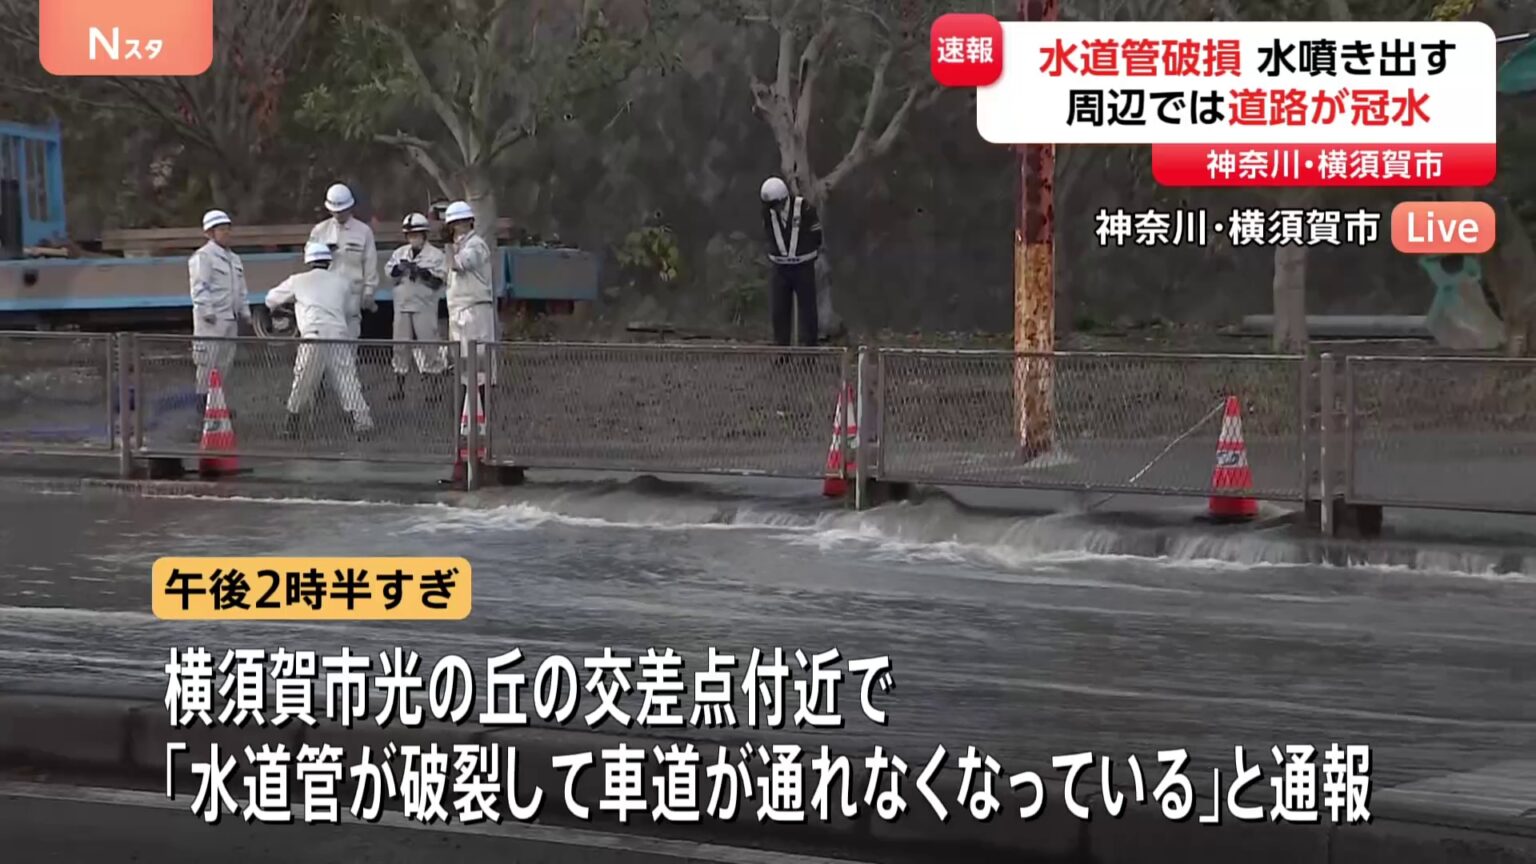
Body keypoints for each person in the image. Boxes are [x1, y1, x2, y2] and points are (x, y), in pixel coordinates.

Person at [265, 242, 375, 439]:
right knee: (347, 379)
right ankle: (362, 422)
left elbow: (271, 299)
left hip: (313, 335)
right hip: (337, 334)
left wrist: (293, 305)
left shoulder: (298, 280)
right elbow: (349, 310)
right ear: (328, 261)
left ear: (308, 260)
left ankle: (292, 423)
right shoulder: (342, 282)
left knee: (303, 379)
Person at [188, 208, 249, 438]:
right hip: (210, 323)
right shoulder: (203, 257)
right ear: (210, 233)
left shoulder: (234, 259)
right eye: (221, 229)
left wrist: (245, 312)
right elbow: (199, 287)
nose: (226, 233)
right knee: (207, 366)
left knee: (224, 366)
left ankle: (218, 405)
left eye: (227, 228)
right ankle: (202, 409)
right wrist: (207, 311)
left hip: (230, 319)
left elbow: (241, 289)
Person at [386, 212, 450, 400]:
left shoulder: (436, 255)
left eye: (416, 234)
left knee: (429, 345)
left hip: (424, 306)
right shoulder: (400, 253)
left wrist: (423, 273)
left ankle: (434, 389)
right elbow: (389, 272)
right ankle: (399, 387)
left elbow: (441, 280)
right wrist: (401, 268)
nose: (413, 238)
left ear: (424, 234)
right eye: (410, 235)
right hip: (402, 305)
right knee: (400, 346)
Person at [307, 183, 377, 340]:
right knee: (327, 341)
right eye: (335, 211)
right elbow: (309, 259)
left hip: (352, 294)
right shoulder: (319, 231)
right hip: (326, 296)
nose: (338, 215)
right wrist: (324, 251)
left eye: (342, 211)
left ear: (350, 207)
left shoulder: (363, 232)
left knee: (350, 341)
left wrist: (369, 291)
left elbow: (370, 263)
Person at [443, 200, 496, 397]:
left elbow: (459, 264)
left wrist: (448, 246)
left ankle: (479, 402)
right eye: (454, 224)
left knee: (477, 358)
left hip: (474, 309)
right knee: (463, 360)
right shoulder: (459, 246)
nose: (457, 227)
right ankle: (467, 402)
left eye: (461, 222)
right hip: (458, 309)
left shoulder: (476, 244)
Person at [760, 176, 821, 347]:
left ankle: (808, 353)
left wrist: (807, 250)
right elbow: (768, 233)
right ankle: (782, 351)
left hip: (803, 266)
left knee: (807, 310)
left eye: (775, 204)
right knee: (779, 310)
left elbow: (816, 233)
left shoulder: (804, 207)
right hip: (780, 268)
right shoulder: (768, 211)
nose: (774, 208)